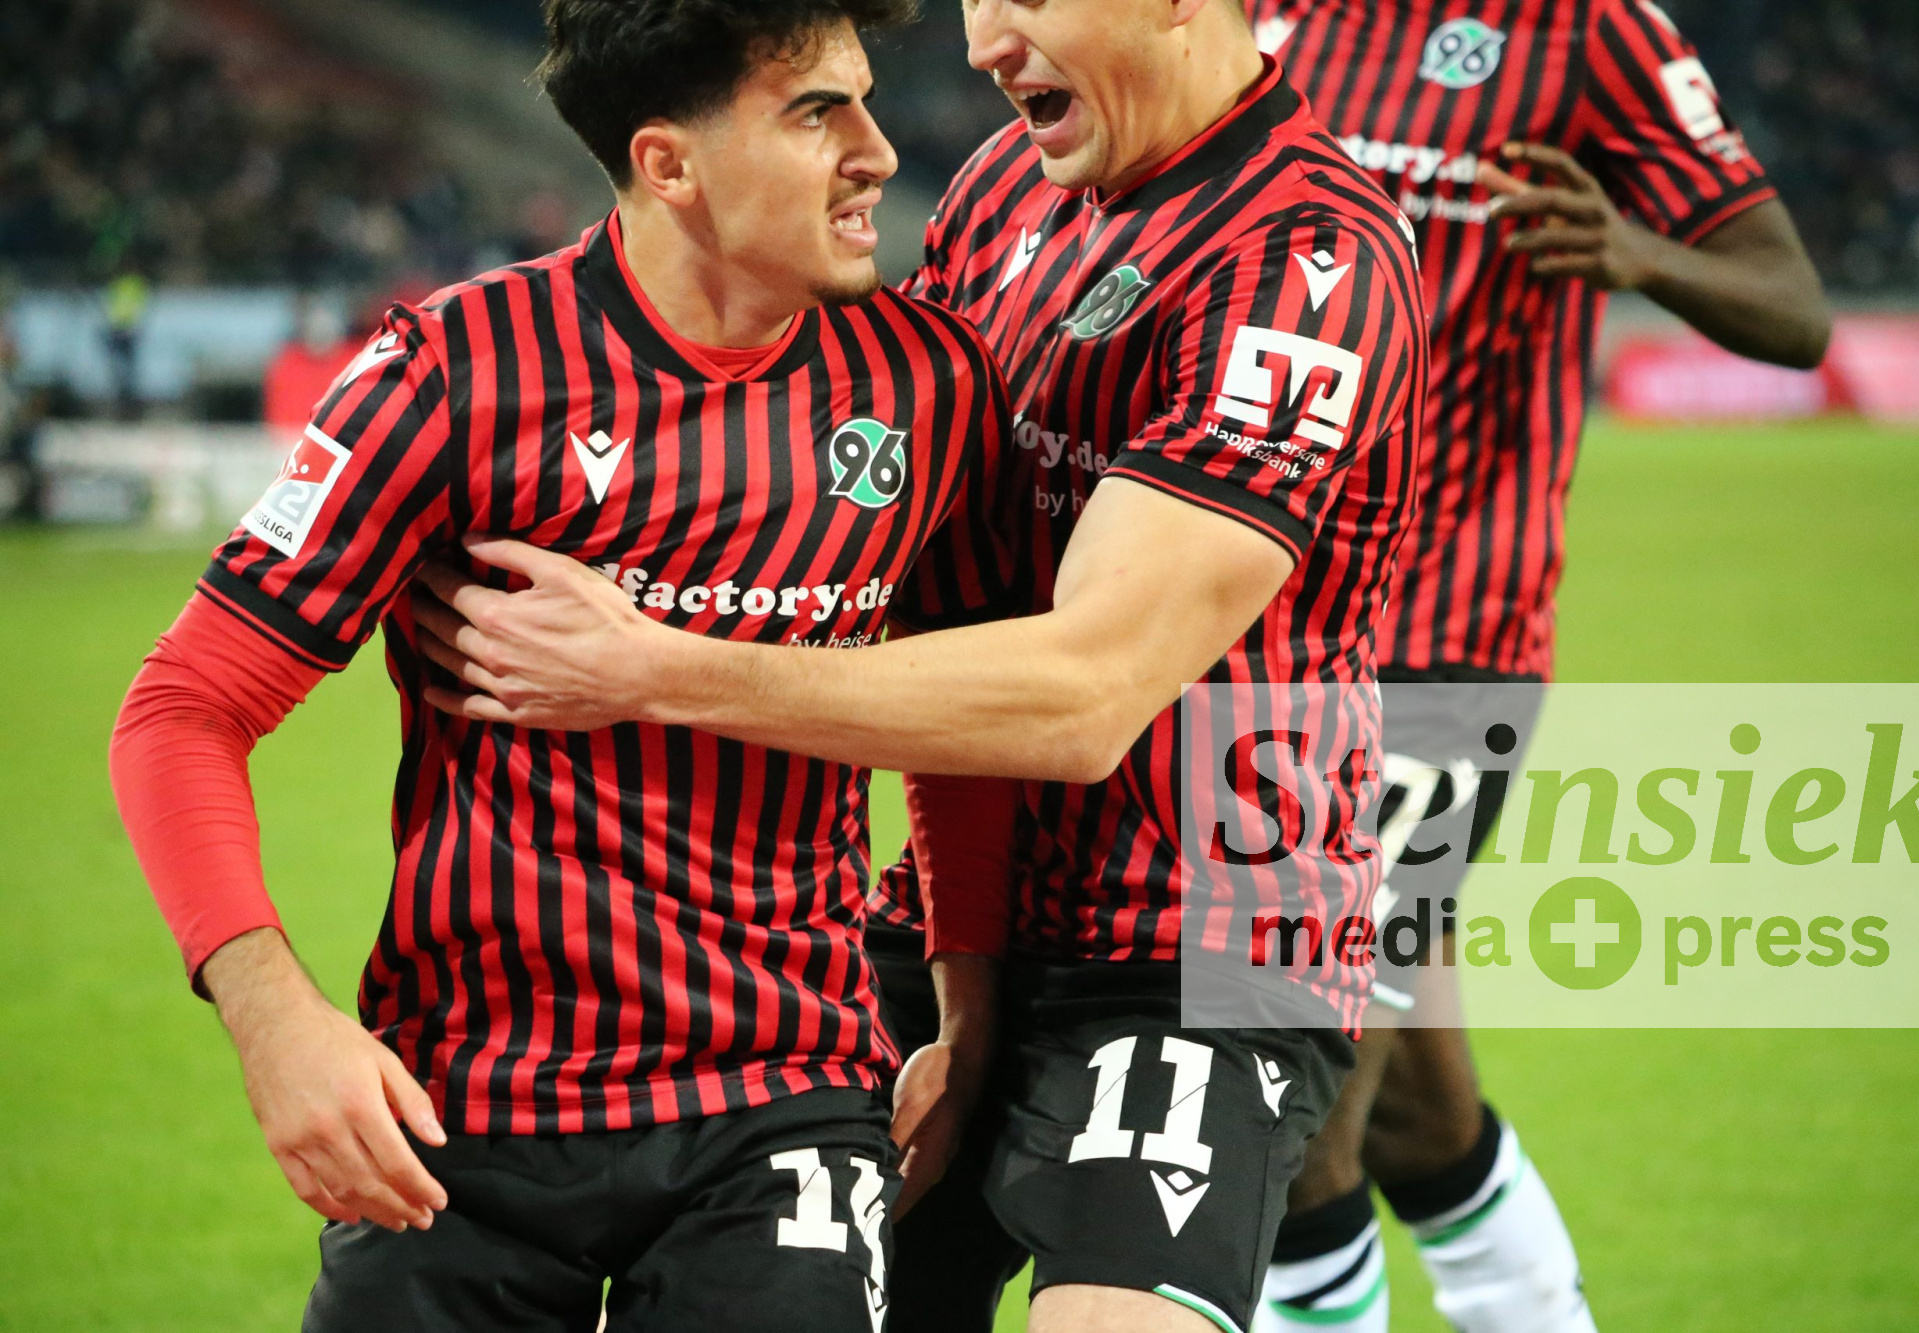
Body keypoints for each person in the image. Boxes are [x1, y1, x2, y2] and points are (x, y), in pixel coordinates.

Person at [408, 3, 1428, 1332]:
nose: (984, 40)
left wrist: (648, 666)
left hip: (1203, 942)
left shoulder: (1309, 258)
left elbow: (1087, 695)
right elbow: (902, 530)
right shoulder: (1004, 190)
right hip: (951, 913)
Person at [107, 2, 1026, 1329]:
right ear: (668, 163)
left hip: (786, 1095)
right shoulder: (456, 371)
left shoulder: (926, 384)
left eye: (868, 104)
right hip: (467, 1108)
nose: (878, 151)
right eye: (818, 113)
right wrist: (277, 1023)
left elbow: (968, 711)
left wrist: (966, 1013)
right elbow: (184, 708)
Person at [1238, 3, 1831, 1331]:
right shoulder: (1248, 18)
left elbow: (1795, 310)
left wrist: (1636, 250)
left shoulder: (1588, 31)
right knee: (1416, 1121)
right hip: (1256, 627)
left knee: (1288, 1108)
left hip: (1442, 651)